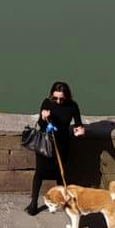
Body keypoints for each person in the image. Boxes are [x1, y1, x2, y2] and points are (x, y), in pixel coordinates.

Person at [26, 80, 86, 215]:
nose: (58, 101)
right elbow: (41, 124)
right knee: (39, 173)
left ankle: (62, 202)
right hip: (46, 144)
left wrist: (79, 132)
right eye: (55, 98)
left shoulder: (72, 106)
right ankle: (33, 203)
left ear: (67, 97)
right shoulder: (47, 103)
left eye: (61, 98)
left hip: (63, 145)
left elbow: (78, 125)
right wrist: (43, 117)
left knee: (60, 174)